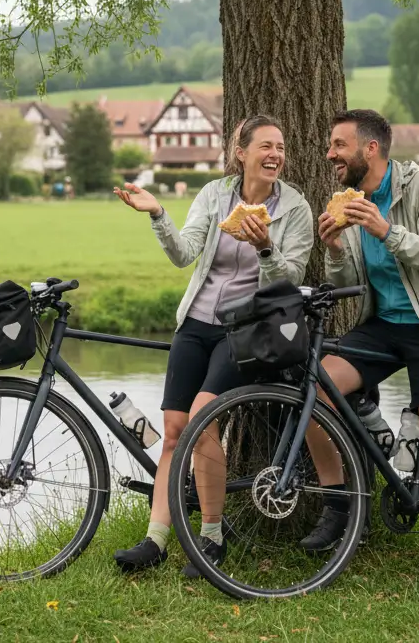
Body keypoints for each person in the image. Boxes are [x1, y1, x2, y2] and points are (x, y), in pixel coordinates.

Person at [111, 115, 314, 575]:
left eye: (280, 147)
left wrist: (265, 247)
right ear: (240, 152)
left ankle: (211, 538)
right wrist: (158, 214)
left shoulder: (295, 208)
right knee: (174, 431)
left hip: (245, 331)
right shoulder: (215, 194)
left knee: (203, 421)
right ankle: (156, 541)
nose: (275, 155)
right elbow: (184, 254)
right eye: (265, 146)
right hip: (196, 323)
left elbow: (290, 281)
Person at [310, 108, 419, 599]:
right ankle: (340, 503)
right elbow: (349, 286)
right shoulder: (352, 201)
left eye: (338, 145)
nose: (329, 154)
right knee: (319, 387)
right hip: (384, 325)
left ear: (370, 148)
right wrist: (338, 250)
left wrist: (386, 230)